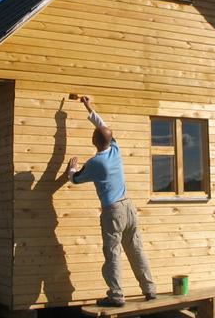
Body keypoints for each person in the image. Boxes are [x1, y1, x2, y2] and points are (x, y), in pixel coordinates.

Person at [67, 96, 156, 307]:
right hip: (129, 207)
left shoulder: (96, 163)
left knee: (113, 253)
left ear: (93, 141)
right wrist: (88, 106)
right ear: (110, 139)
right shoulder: (116, 150)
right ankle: (150, 289)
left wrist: (71, 167)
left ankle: (116, 296)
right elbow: (103, 126)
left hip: (113, 211)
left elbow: (75, 179)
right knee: (136, 249)